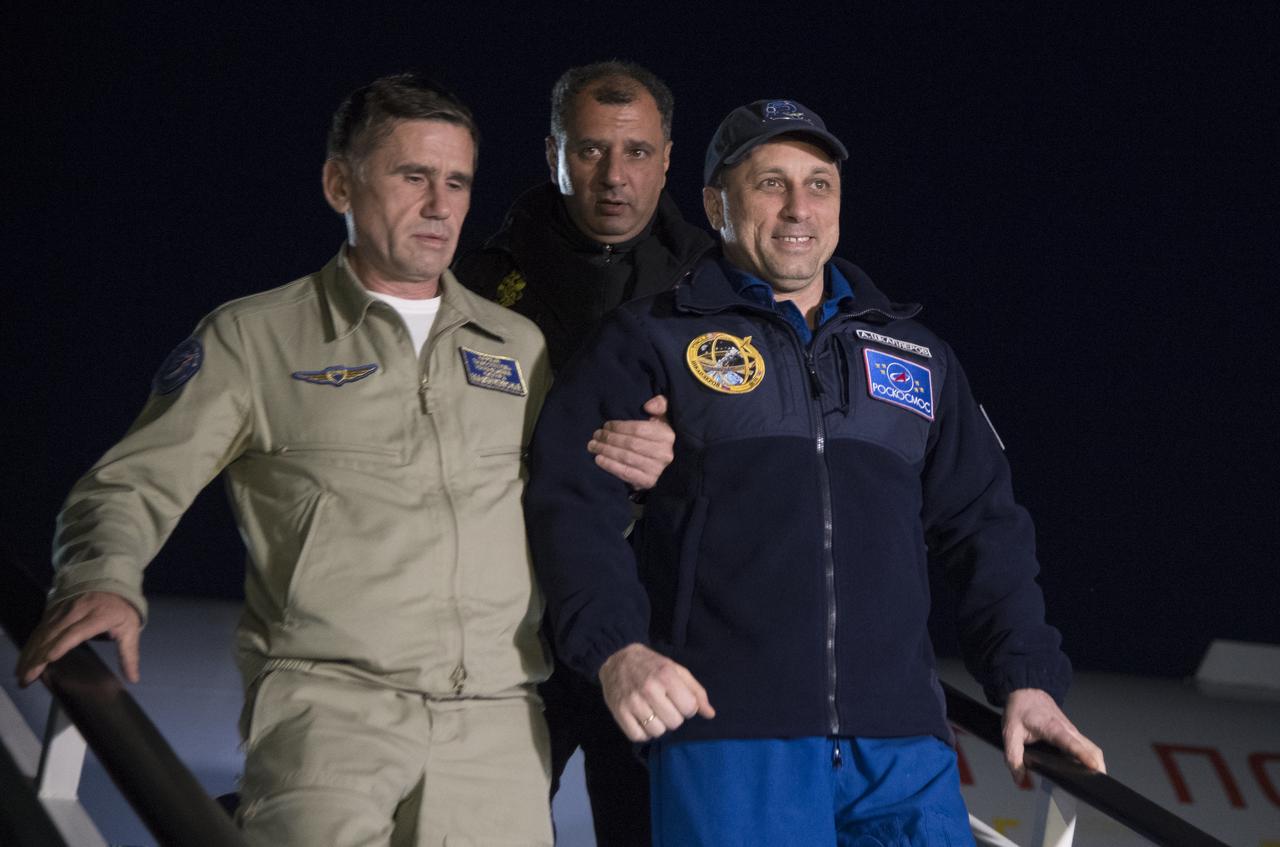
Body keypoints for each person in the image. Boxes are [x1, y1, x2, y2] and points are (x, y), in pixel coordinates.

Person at [15, 73, 671, 847]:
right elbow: (132, 482)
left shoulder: (516, 348)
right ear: (338, 183)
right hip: (328, 718)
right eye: (412, 175)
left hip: (496, 728)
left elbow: (567, 501)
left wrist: (635, 462)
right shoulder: (254, 339)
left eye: (457, 182)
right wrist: (102, 576)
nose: (439, 204)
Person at [523, 98, 1107, 846]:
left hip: (904, 747)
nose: (799, 207)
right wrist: (615, 649)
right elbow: (571, 505)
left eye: (819, 184)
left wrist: (1025, 675)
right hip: (730, 735)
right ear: (715, 203)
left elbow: (983, 523)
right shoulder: (651, 339)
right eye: (770, 183)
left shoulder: (915, 355)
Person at [455, 60, 710, 845]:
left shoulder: (722, 295)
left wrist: (687, 451)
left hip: (655, 627)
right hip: (508, 620)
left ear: (668, 158)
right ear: (553, 154)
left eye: (637, 153)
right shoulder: (471, 283)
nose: (613, 177)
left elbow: (776, 450)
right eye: (591, 150)